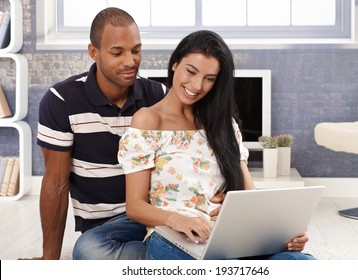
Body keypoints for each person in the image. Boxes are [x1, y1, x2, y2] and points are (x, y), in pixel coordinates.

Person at [117, 30, 315, 260]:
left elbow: (249, 196)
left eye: (209, 78)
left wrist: (287, 234)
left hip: (228, 238)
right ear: (175, 64)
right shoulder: (148, 120)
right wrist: (177, 219)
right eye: (191, 72)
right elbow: (135, 206)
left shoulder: (224, 126)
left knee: (301, 262)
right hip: (173, 238)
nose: (197, 85)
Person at [30, 7, 168, 260]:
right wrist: (48, 261)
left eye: (136, 51)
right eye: (117, 52)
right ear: (94, 52)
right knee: (88, 251)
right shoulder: (61, 100)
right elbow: (55, 184)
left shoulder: (158, 95)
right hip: (104, 230)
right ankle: (176, 259)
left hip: (156, 216)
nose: (130, 61)